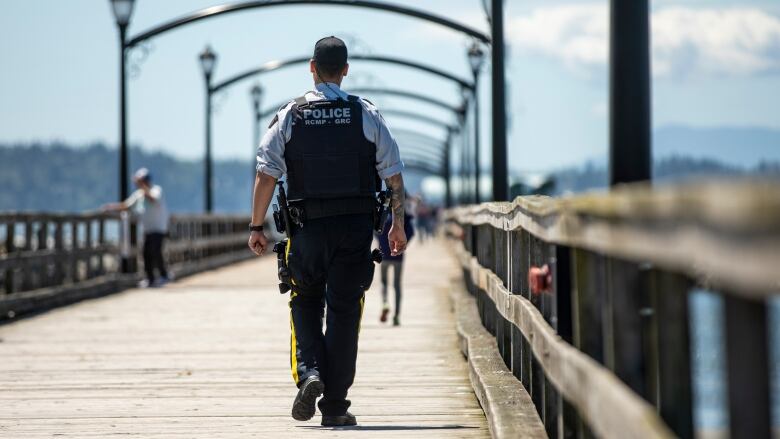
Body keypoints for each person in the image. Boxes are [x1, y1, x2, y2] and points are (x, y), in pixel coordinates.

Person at [247, 36, 407, 427]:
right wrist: (397, 224)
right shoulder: (366, 114)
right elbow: (393, 176)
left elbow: (266, 173)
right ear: (346, 70)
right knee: (344, 311)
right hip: (354, 229)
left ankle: (310, 373)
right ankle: (335, 405)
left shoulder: (289, 115)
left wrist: (256, 226)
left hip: (307, 230)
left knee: (304, 301)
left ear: (312, 68)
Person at [103, 167, 170, 288]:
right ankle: (151, 279)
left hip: (159, 228)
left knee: (155, 252)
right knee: (145, 253)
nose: (138, 184)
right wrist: (110, 207)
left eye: (141, 181)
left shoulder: (156, 190)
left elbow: (153, 199)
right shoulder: (138, 195)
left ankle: (163, 276)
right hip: (147, 229)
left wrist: (142, 186)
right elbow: (126, 205)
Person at [376, 200, 414, 326]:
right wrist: (403, 243)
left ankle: (385, 302)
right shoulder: (404, 215)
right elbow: (411, 232)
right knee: (397, 285)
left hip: (384, 254)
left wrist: (381, 243)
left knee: (383, 282)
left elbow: (376, 230)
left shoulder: (382, 212)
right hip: (398, 254)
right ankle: (397, 316)